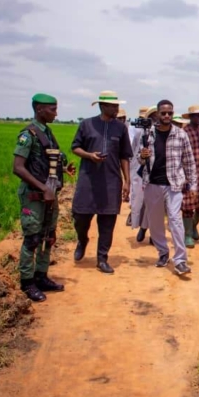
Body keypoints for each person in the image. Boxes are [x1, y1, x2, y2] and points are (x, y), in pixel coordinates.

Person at [12, 93, 75, 301]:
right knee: (32, 238)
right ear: (39, 109)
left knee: (49, 236)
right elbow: (18, 168)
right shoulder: (28, 134)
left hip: (49, 194)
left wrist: (63, 169)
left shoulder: (47, 132)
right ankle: (27, 283)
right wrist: (43, 188)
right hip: (34, 196)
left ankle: (41, 276)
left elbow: (46, 162)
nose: (56, 113)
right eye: (52, 109)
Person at [71, 90, 133, 274]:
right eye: (113, 106)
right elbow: (75, 147)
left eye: (117, 105)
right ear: (102, 106)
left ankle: (102, 258)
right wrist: (89, 155)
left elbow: (124, 156)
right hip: (88, 179)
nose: (117, 108)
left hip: (111, 181)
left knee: (107, 221)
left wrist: (127, 181)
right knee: (80, 217)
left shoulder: (121, 128)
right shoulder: (86, 124)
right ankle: (82, 240)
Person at [138, 100, 197, 276]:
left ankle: (180, 260)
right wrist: (142, 156)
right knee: (155, 223)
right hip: (152, 183)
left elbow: (189, 161)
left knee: (175, 220)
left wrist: (193, 185)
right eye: (163, 113)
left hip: (174, 184)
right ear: (157, 114)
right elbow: (139, 160)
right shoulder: (148, 135)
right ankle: (163, 252)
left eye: (170, 113)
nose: (166, 116)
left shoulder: (180, 134)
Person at [180, 105, 199, 248]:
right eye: (196, 116)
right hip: (189, 174)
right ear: (190, 117)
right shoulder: (183, 132)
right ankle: (187, 235)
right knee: (187, 206)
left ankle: (192, 226)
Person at [131, 106, 157, 243]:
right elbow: (135, 154)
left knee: (157, 206)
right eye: (154, 117)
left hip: (160, 173)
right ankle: (144, 228)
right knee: (146, 203)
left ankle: (152, 233)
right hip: (144, 171)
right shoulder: (141, 134)